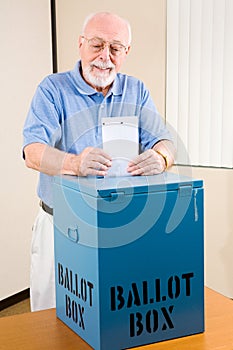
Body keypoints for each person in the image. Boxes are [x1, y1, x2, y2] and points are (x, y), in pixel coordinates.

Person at [23, 11, 175, 312]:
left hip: (122, 226)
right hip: (61, 225)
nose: (105, 56)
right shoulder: (53, 89)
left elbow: (164, 141)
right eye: (97, 45)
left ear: (126, 53)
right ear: (81, 44)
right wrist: (74, 163)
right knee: (51, 316)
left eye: (116, 48)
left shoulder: (136, 90)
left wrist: (161, 157)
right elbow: (33, 151)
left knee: (116, 313)